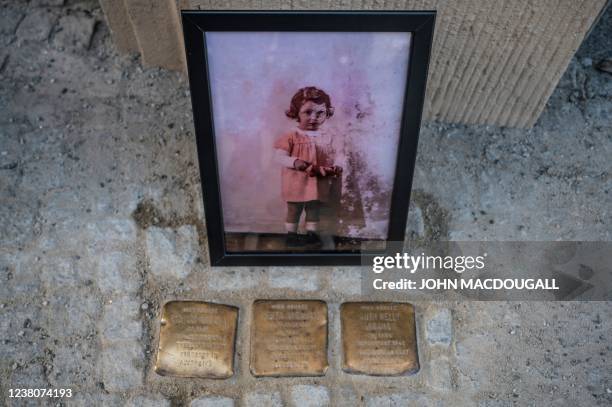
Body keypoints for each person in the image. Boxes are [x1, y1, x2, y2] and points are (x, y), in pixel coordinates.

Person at [273, 86, 343, 248]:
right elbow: (278, 157)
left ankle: (312, 234)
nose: (314, 118)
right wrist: (295, 162)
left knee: (313, 208)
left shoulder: (329, 136)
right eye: (308, 112)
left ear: (327, 113)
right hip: (295, 181)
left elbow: (339, 153)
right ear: (297, 112)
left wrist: (338, 164)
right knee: (294, 209)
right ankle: (291, 235)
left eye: (320, 113)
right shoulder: (291, 135)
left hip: (318, 181)